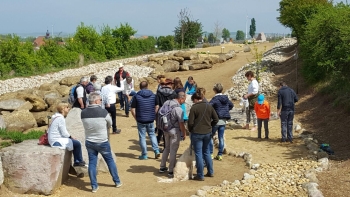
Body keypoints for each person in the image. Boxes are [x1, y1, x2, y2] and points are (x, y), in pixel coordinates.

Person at [81, 93, 122, 193]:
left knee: (92, 163)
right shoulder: (103, 112)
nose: (101, 101)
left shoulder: (83, 113)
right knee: (110, 161)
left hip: (90, 141)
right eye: (100, 100)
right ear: (95, 101)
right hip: (102, 141)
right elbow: (110, 123)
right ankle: (117, 181)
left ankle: (94, 186)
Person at [188, 91, 219, 181]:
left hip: (197, 133)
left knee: (198, 154)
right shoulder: (209, 106)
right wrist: (210, 126)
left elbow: (190, 122)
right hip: (207, 133)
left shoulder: (194, 108)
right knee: (207, 152)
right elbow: (216, 119)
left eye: (193, 100)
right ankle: (211, 171)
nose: (193, 102)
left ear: (195, 99)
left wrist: (191, 130)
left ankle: (200, 175)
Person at [159, 91, 187, 177]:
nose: (184, 102)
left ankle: (162, 167)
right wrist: (184, 133)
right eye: (184, 100)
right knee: (173, 150)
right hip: (174, 131)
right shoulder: (178, 109)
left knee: (166, 148)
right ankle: (171, 170)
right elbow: (181, 123)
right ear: (181, 98)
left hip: (165, 129)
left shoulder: (167, 102)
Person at [48, 103, 85, 167]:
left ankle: (77, 161)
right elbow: (64, 133)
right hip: (56, 141)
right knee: (77, 143)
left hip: (52, 139)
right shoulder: (60, 119)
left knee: (73, 142)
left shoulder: (56, 117)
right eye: (67, 107)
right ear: (63, 109)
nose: (69, 108)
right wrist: (71, 137)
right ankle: (78, 161)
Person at [131, 81, 160, 160]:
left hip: (141, 119)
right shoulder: (154, 95)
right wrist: (153, 114)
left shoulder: (136, 96)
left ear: (140, 87)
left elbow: (133, 109)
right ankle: (156, 150)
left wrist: (136, 118)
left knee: (142, 137)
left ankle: (144, 154)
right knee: (152, 135)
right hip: (150, 119)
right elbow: (157, 106)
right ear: (147, 86)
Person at [209, 83, 233, 161]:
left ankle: (211, 154)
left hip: (216, 120)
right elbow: (231, 105)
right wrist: (226, 111)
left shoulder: (215, 99)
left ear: (215, 90)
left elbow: (209, 106)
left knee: (210, 137)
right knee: (221, 137)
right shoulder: (226, 98)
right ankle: (220, 155)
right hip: (223, 120)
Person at [156, 78, 177, 151]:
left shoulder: (159, 92)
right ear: (170, 84)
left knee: (162, 130)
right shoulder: (173, 93)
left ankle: (165, 147)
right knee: (171, 130)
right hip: (171, 112)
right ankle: (170, 147)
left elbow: (157, 104)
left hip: (161, 113)